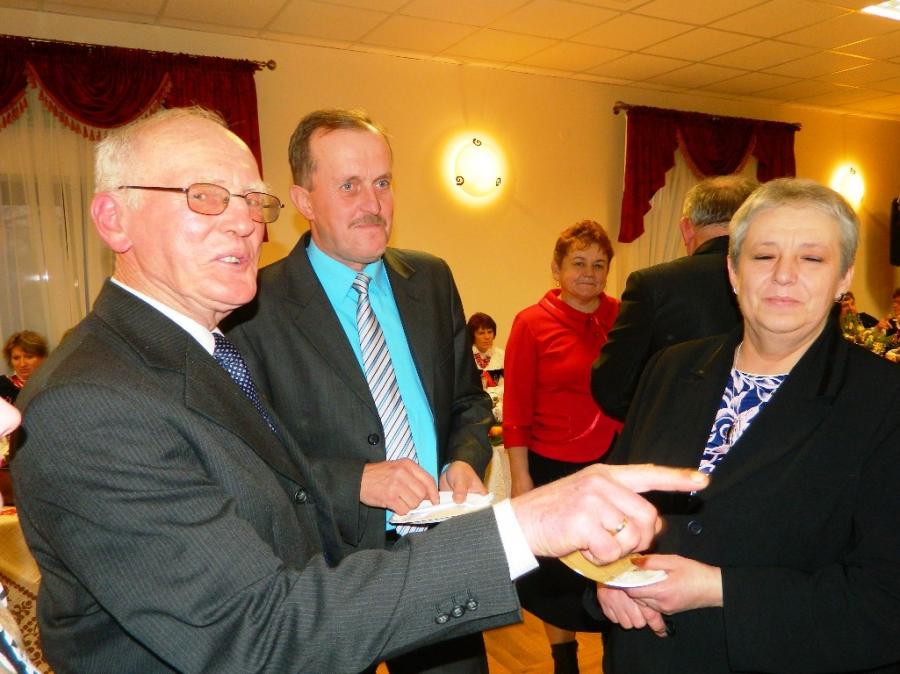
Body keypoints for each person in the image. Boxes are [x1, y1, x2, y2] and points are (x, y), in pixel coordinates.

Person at [10, 107, 708, 674]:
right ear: (113, 218)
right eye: (204, 196)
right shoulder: (92, 403)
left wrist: (575, 570)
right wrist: (524, 526)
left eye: (251, 199)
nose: (244, 221)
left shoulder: (205, 348)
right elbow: (256, 633)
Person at [225, 109, 495, 673]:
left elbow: (468, 403)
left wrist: (464, 461)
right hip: (326, 570)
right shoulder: (253, 308)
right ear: (303, 201)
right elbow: (248, 460)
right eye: (349, 185)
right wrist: (356, 481)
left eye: (383, 182)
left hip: (439, 554)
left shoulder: (432, 279)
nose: (373, 203)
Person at [593, 178, 900, 674]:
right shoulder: (671, 368)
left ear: (844, 277)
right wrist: (608, 577)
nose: (784, 275)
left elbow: (886, 601)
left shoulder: (883, 400)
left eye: (812, 258)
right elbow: (611, 513)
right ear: (733, 271)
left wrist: (718, 589)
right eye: (763, 256)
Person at [502, 220, 621, 674]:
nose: (589, 273)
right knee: (557, 576)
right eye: (578, 263)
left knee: (613, 565)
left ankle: (616, 655)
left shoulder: (624, 316)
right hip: (552, 465)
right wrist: (521, 478)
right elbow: (515, 408)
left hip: (612, 464)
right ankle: (564, 661)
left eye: (599, 264)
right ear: (556, 268)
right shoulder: (531, 323)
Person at [591, 175, 757, 421]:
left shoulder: (652, 285)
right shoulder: (783, 284)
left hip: (677, 434)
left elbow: (612, 386)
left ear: (686, 228)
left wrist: (659, 420)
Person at [467, 312, 504, 422]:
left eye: (490, 332)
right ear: (472, 335)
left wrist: (492, 396)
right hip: (473, 406)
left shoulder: (502, 355)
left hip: (499, 404)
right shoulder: (466, 356)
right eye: (481, 333)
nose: (487, 337)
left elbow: (507, 385)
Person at [0, 332, 48, 404]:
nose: (22, 364)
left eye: (29, 357)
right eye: (16, 358)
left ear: (43, 358)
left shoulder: (51, 385)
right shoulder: (2, 385)